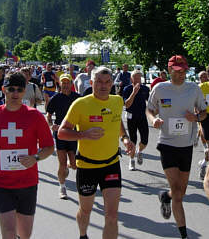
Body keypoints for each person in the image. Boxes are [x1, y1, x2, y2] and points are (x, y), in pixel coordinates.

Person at [0, 72, 54, 239]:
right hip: (1, 182)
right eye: (11, 89)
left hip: (27, 182)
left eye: (19, 90)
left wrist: (35, 158)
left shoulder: (35, 116)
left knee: (24, 234)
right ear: (3, 90)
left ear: (24, 92)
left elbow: (49, 147)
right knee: (8, 232)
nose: (15, 94)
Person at [58, 66, 134, 239]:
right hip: (87, 166)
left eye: (107, 82)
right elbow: (62, 132)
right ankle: (83, 235)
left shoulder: (117, 101)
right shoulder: (80, 104)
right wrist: (83, 134)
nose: (103, 86)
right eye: (99, 81)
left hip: (111, 165)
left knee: (112, 215)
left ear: (112, 84)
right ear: (91, 82)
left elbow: (117, 122)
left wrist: (125, 139)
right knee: (85, 211)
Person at [146, 55, 207, 239]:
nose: (181, 74)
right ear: (170, 69)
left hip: (186, 146)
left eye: (184, 71)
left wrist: (196, 118)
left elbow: (204, 113)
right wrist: (154, 119)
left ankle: (166, 196)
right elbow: (149, 109)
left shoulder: (193, 89)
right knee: (178, 194)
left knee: (180, 191)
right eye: (177, 71)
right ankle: (184, 234)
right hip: (166, 144)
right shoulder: (160, 88)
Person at [46, 73, 80, 199]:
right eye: (63, 83)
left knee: (74, 164)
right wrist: (51, 126)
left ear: (71, 84)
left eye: (68, 83)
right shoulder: (55, 98)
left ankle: (69, 164)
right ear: (60, 84)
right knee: (62, 163)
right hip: (60, 132)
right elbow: (48, 115)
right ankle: (62, 187)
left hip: (74, 133)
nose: (65, 85)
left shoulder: (78, 98)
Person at [123, 69, 150, 170]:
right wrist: (134, 92)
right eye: (136, 77)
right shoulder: (127, 89)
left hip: (142, 117)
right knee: (132, 140)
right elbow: (127, 104)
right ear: (131, 78)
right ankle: (132, 160)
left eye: (139, 77)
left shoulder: (145, 89)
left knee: (145, 140)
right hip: (131, 117)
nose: (138, 79)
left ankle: (139, 152)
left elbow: (150, 102)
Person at [199, 64, 209, 180]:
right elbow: (195, 102)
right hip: (206, 118)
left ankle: (204, 164)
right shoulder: (202, 87)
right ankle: (205, 166)